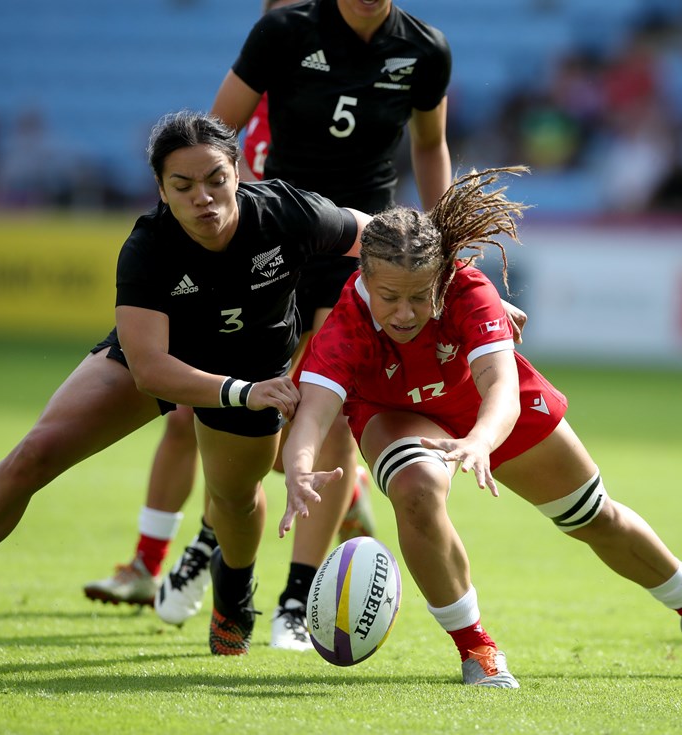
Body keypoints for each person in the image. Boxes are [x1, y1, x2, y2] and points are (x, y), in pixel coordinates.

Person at [0, 110, 373, 656]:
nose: (204, 197)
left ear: (238, 173)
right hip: (174, 362)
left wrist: (464, 288)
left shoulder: (287, 212)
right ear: (161, 190)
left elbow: (386, 239)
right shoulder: (149, 245)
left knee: (234, 499)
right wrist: (241, 392)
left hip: (251, 366)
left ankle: (235, 591)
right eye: (183, 185)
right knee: (32, 456)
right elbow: (149, 369)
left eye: (216, 179)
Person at [279, 167, 682, 687]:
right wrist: (299, 468)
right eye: (389, 297)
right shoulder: (347, 320)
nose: (404, 313)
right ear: (365, 281)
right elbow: (312, 413)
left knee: (593, 517)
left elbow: (502, 391)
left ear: (443, 280)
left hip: (482, 409)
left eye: (419, 297)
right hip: (392, 410)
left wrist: (480, 441)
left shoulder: (470, 288)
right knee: (417, 488)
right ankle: (477, 649)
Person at [151, 0, 457, 651]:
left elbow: (429, 145)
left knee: (333, 409)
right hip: (278, 236)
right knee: (249, 421)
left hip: (359, 244)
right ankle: (211, 536)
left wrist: (443, 247)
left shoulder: (424, 50)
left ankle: (295, 598)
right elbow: (215, 133)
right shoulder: (286, 32)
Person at [82, 0, 377, 618]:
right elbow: (194, 167)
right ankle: (161, 556)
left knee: (310, 413)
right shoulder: (247, 110)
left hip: (309, 248)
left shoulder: (358, 77)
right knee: (196, 419)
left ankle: (280, 583)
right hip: (245, 253)